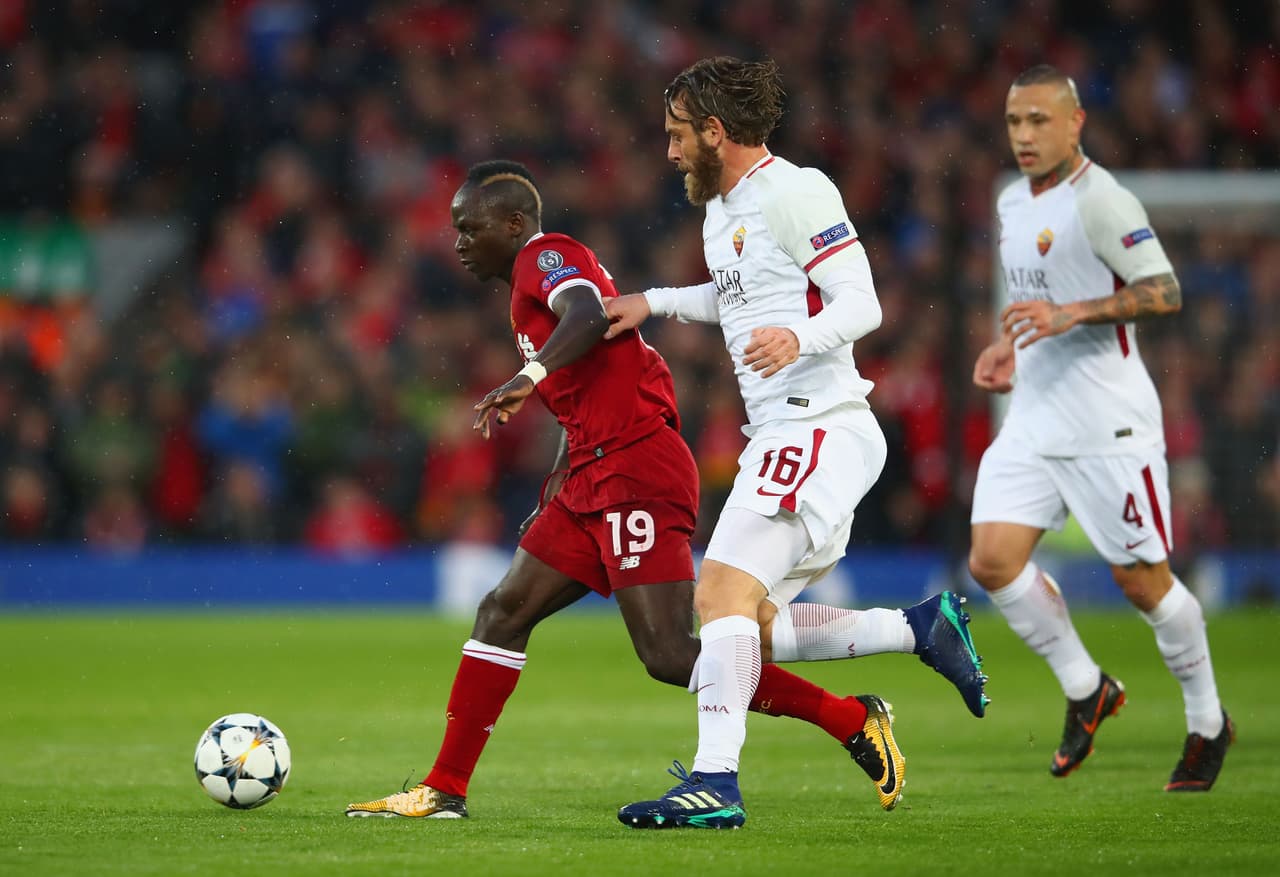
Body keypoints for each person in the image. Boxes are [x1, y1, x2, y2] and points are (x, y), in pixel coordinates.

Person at [344, 160, 985, 822]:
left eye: (468, 227)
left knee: (674, 653)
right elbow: (594, 385)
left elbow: (588, 312)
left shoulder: (546, 255)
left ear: (512, 224)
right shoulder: (522, 288)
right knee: (502, 611)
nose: (457, 241)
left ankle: (849, 719)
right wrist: (558, 478)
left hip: (635, 470)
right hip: (591, 473)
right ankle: (444, 787)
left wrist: (529, 374)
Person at [606, 57, 987, 831]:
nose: (670, 152)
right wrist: (657, 301)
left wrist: (801, 337)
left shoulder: (796, 189)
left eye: (680, 136)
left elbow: (863, 301)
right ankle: (919, 627)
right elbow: (737, 292)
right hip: (787, 432)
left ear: (717, 132)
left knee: (715, 596)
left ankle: (715, 781)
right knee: (754, 628)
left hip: (819, 421)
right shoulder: (722, 210)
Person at [968, 64, 1232, 792]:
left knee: (1141, 581)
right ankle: (1087, 687)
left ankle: (1208, 721)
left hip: (1107, 425)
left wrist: (1073, 315)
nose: (1024, 135)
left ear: (1075, 122)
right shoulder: (1014, 201)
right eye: (1015, 121)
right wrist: (1009, 345)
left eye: (1039, 121)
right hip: (1034, 415)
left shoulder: (1103, 200)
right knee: (991, 559)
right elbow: (1035, 299)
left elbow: (1166, 290)